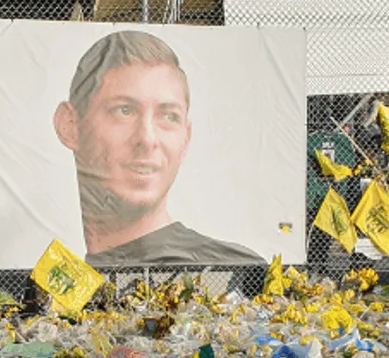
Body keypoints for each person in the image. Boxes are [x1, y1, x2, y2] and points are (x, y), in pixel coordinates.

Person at [53, 30, 263, 266]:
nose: (147, 139)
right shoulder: (52, 276)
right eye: (124, 111)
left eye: (168, 116)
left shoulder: (234, 269)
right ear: (69, 126)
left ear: (186, 137)